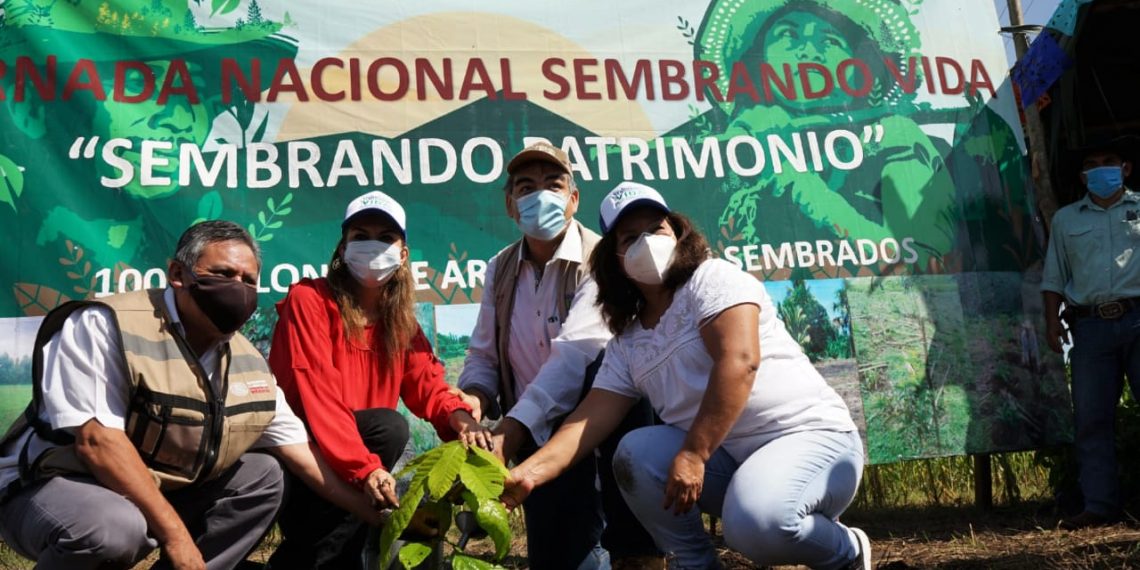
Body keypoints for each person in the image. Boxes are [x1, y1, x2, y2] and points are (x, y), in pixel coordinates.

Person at [503, 182, 871, 570]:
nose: (647, 243)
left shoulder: (711, 279)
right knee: (635, 454)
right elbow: (586, 423)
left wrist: (694, 453)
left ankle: (846, 551)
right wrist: (526, 473)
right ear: (615, 259)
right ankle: (694, 563)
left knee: (756, 525)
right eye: (630, 237)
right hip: (733, 462)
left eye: (656, 229)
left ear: (678, 234)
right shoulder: (628, 343)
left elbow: (739, 362)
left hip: (810, 439)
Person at [0, 220, 379, 570]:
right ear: (178, 274)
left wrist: (382, 516)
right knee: (113, 529)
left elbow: (304, 457)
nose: (238, 288)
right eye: (223, 274)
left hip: (151, 490)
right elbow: (97, 442)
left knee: (264, 475)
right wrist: (177, 538)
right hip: (48, 485)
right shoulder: (106, 324)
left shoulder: (246, 361)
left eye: (248, 280)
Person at [456, 142, 662, 569]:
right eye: (525, 188)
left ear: (573, 199)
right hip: (535, 435)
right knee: (555, 557)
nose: (540, 196)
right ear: (510, 205)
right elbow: (484, 355)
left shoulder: (600, 259)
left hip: (592, 426)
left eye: (553, 185)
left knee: (612, 544)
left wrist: (510, 431)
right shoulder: (499, 268)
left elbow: (575, 355)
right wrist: (473, 398)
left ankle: (638, 556)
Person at [266, 190, 491, 569]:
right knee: (389, 428)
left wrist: (459, 418)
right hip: (310, 457)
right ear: (343, 248)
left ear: (403, 255)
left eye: (386, 238)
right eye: (361, 236)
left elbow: (428, 385)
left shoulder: (399, 323)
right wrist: (365, 468)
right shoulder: (310, 301)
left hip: (359, 462)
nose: (373, 246)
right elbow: (319, 397)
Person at [1042, 137, 1139, 529]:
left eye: (1109, 161)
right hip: (1090, 327)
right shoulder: (1066, 220)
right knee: (1091, 418)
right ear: (1083, 177)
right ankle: (1099, 505)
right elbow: (1054, 276)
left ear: (1125, 168)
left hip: (1139, 318)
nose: (1101, 169)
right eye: (1092, 164)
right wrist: (1052, 322)